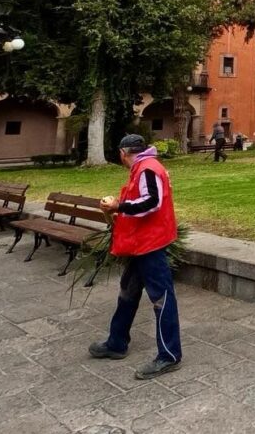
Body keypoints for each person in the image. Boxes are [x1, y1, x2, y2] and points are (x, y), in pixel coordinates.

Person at [90, 134, 183, 380]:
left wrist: (118, 207)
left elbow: (152, 202)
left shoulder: (148, 169)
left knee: (162, 300)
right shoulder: (143, 168)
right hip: (139, 243)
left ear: (122, 153)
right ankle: (117, 342)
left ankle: (169, 355)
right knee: (128, 293)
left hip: (150, 244)